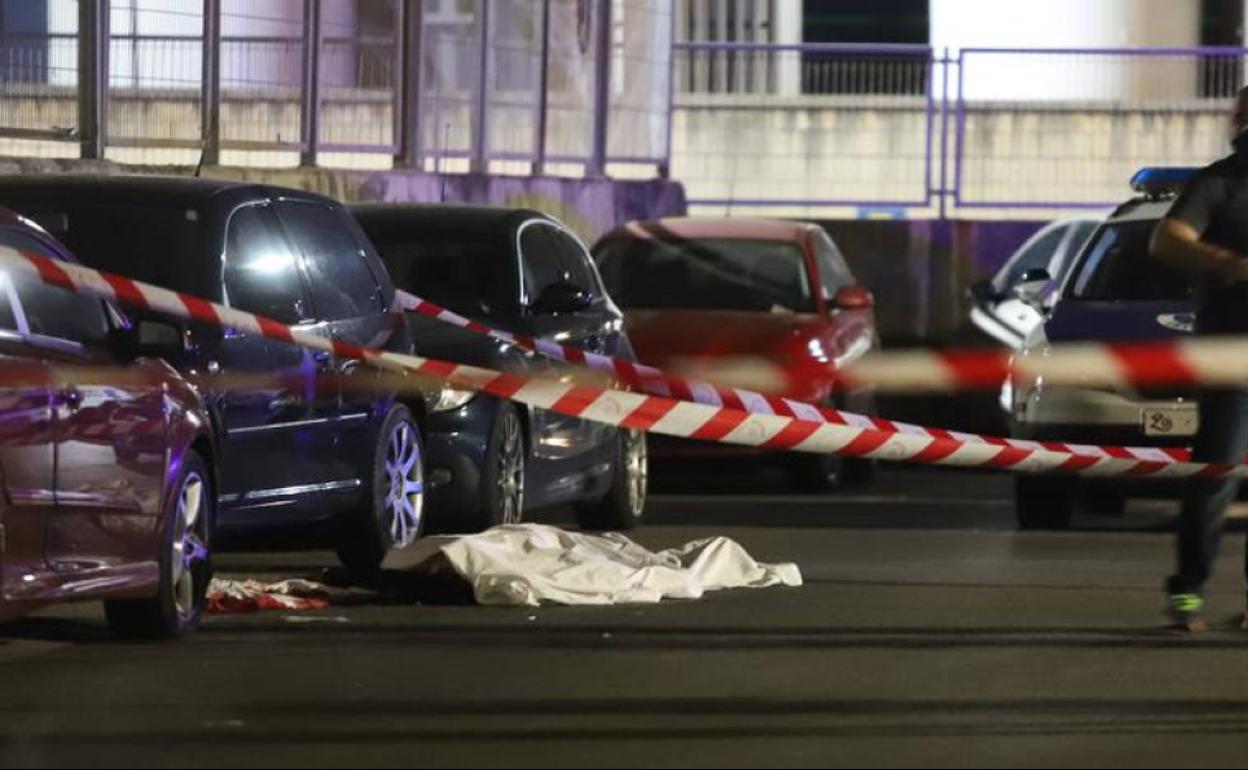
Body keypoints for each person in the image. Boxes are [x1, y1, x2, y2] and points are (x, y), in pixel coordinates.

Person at [1151, 85, 1248, 631]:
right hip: (1233, 360)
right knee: (1216, 477)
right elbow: (1166, 242)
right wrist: (1228, 263)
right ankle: (1187, 594)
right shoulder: (1219, 182)